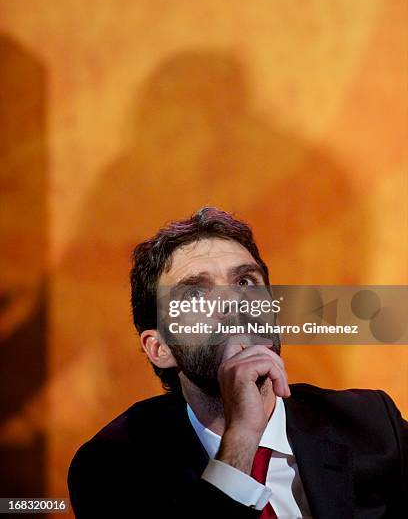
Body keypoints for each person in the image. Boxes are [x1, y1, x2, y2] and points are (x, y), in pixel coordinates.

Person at [68, 207, 407, 518]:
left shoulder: (373, 425)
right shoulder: (115, 466)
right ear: (160, 348)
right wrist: (242, 437)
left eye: (245, 282)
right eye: (195, 294)